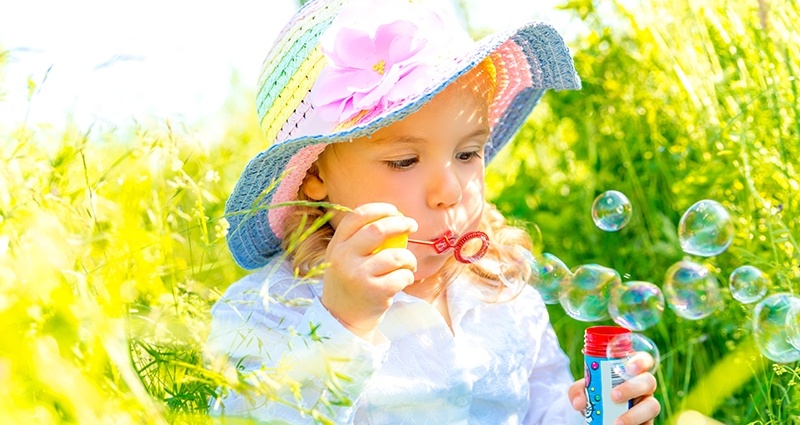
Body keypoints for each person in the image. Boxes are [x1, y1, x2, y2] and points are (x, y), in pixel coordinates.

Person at [207, 0, 661, 423]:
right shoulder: (267, 308)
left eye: (467, 154)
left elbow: (539, 406)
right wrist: (343, 322)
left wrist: (596, 410)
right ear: (315, 177)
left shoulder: (503, 290)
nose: (449, 190)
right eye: (404, 161)